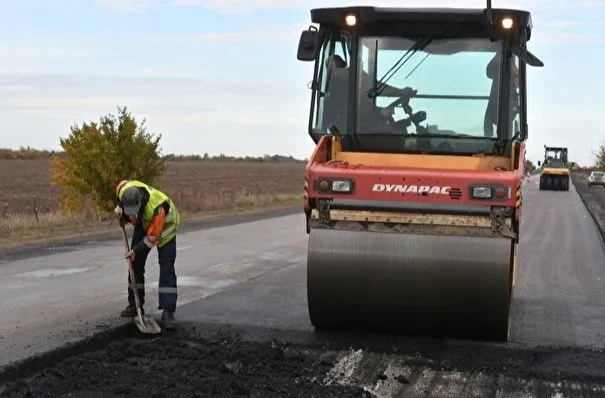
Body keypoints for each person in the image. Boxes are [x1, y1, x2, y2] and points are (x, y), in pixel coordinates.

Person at [114, 179, 181, 330]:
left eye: (133, 213)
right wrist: (119, 207)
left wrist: (136, 250)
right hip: (144, 224)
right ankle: (135, 305)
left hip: (165, 229)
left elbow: (152, 238)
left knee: (166, 267)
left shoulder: (156, 209)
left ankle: (168, 311)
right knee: (135, 263)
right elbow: (122, 184)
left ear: (140, 204)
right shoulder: (124, 191)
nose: (131, 216)